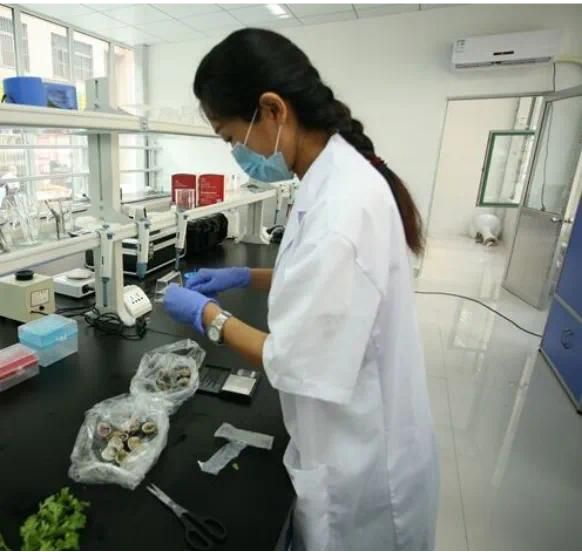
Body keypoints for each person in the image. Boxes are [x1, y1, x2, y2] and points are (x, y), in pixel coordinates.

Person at [163, 29, 439, 551]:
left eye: (230, 138)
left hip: (363, 465)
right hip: (355, 430)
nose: (236, 154)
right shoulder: (332, 177)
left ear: (273, 110)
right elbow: (319, 278)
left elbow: (289, 360)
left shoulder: (341, 208)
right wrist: (245, 277)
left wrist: (207, 316)